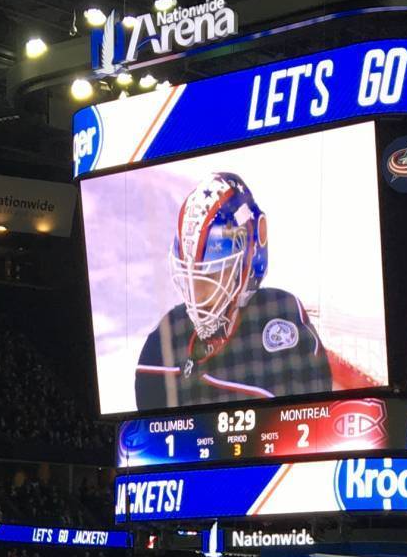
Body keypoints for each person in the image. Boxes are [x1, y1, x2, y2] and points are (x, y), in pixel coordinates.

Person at [134, 174, 331, 410]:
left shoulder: (282, 321)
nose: (198, 295)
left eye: (212, 275)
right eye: (191, 278)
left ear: (247, 261)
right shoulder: (163, 343)